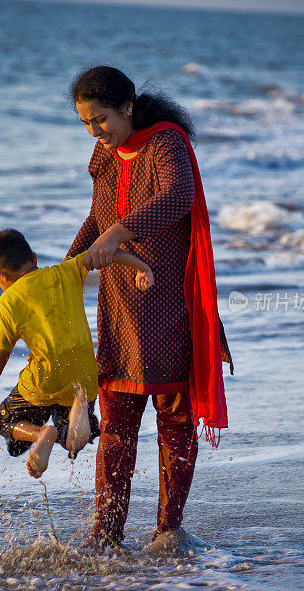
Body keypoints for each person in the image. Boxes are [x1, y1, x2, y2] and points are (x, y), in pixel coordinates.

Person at [66, 65, 233, 548]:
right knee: (116, 423)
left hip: (169, 303)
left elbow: (179, 196)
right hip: (118, 304)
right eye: (85, 123)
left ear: (127, 107)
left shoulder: (165, 143)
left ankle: (167, 532)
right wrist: (68, 268)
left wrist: (121, 231)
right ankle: (107, 534)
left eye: (101, 119)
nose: (95, 131)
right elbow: (97, 217)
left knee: (174, 422)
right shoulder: (104, 155)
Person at [0, 228, 154, 479]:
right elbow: (108, 252)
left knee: (4, 421)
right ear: (33, 258)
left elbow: (2, 349)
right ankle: (74, 422)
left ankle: (40, 434)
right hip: (84, 373)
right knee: (74, 441)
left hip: (44, 380)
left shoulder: (8, 300)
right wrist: (140, 266)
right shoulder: (66, 271)